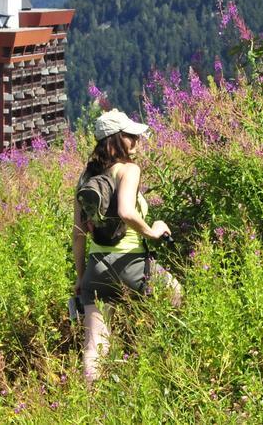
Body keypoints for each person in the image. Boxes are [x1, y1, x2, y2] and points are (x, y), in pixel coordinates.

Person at [72, 108, 182, 382]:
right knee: (177, 296)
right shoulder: (128, 170)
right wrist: (153, 232)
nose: (137, 141)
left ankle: (90, 404)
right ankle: (166, 367)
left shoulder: (85, 179)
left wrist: (80, 277)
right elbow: (125, 212)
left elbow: (77, 234)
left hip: (96, 270)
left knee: (95, 343)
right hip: (131, 264)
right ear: (118, 139)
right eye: (132, 135)